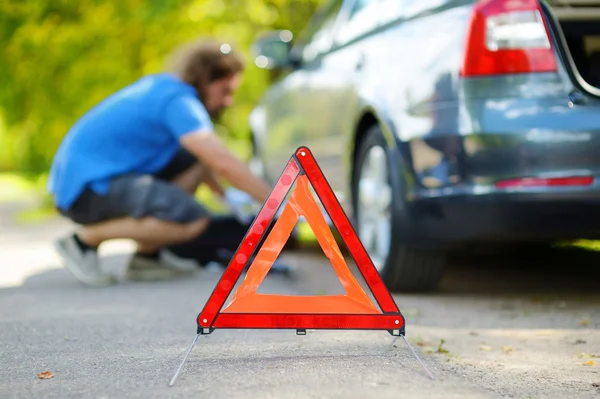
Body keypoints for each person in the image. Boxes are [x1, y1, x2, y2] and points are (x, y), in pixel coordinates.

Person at [47, 39, 273, 287]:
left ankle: (148, 257)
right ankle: (82, 241)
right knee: (194, 219)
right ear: (206, 79)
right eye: (225, 91)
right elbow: (223, 162)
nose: (228, 101)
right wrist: (276, 204)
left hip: (88, 182)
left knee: (194, 159)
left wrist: (224, 195)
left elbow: (204, 160)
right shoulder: (180, 102)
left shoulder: (164, 89)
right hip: (89, 190)